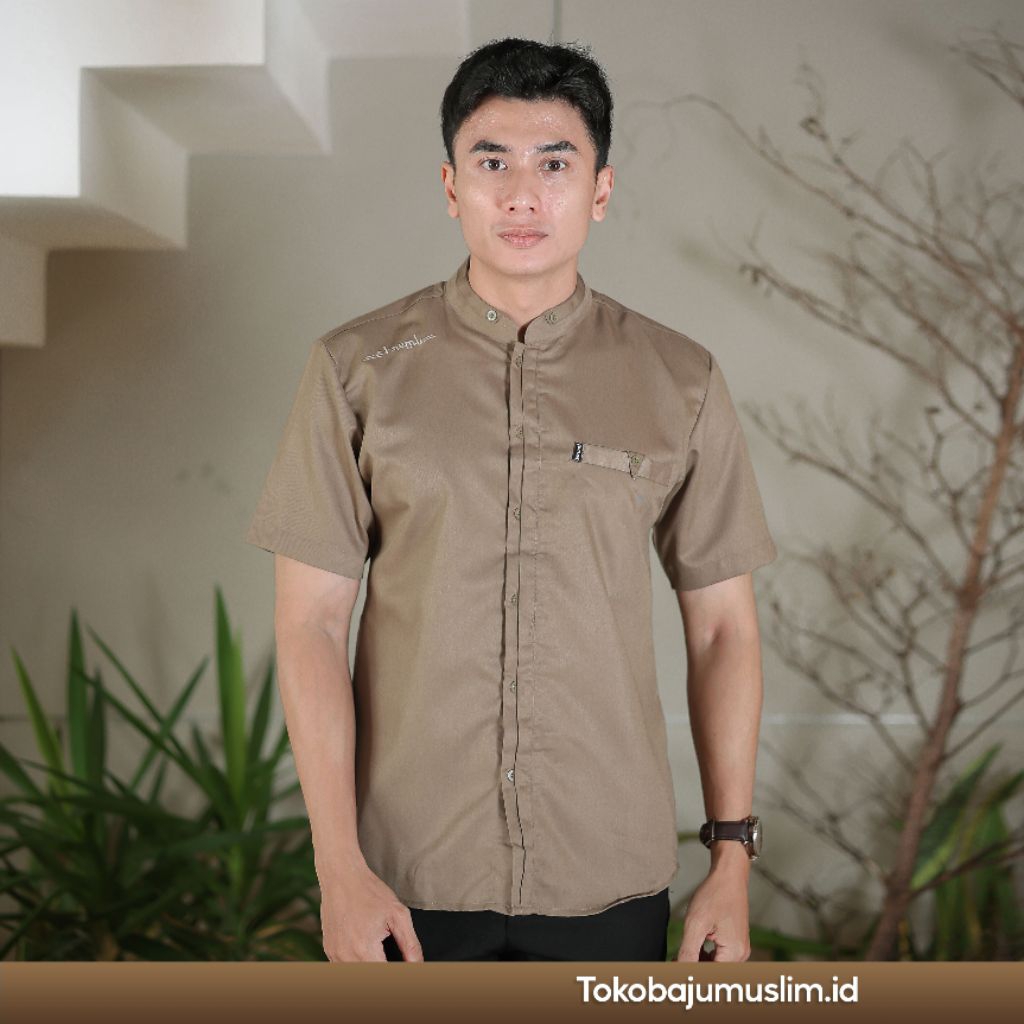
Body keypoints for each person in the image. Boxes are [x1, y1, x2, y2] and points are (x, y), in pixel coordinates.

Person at [244, 36, 776, 963]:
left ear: (600, 190)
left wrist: (731, 858)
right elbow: (312, 627)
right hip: (404, 876)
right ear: (451, 186)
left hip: (607, 871)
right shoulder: (355, 369)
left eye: (555, 164)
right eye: (492, 163)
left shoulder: (680, 378)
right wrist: (338, 868)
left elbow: (723, 630)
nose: (522, 195)